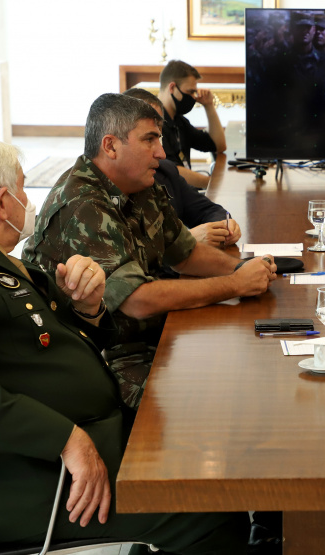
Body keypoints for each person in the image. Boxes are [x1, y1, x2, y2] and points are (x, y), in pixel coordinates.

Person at [0, 138, 249, 553]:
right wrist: (68, 439)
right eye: (23, 188)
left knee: (216, 439)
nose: (28, 199)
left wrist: (88, 307)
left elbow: (47, 346)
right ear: (2, 202)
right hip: (27, 477)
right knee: (212, 504)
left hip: (82, 438)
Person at [24, 93, 277, 408]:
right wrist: (235, 284)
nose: (162, 151)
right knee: (208, 403)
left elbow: (185, 253)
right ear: (110, 146)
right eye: (149, 140)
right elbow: (137, 301)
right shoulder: (82, 204)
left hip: (153, 334)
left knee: (253, 366)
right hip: (106, 356)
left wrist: (241, 270)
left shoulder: (139, 185)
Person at [122, 87, 241, 248]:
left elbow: (208, 210)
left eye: (160, 135)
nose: (161, 153)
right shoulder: (105, 189)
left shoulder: (166, 171)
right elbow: (126, 258)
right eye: (149, 138)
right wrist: (186, 240)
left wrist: (223, 224)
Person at [156, 60, 226, 189]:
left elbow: (218, 145)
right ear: (172, 88)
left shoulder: (179, 121)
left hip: (184, 192)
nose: (194, 97)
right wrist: (214, 184)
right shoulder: (155, 123)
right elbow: (172, 170)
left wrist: (209, 105)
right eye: (190, 92)